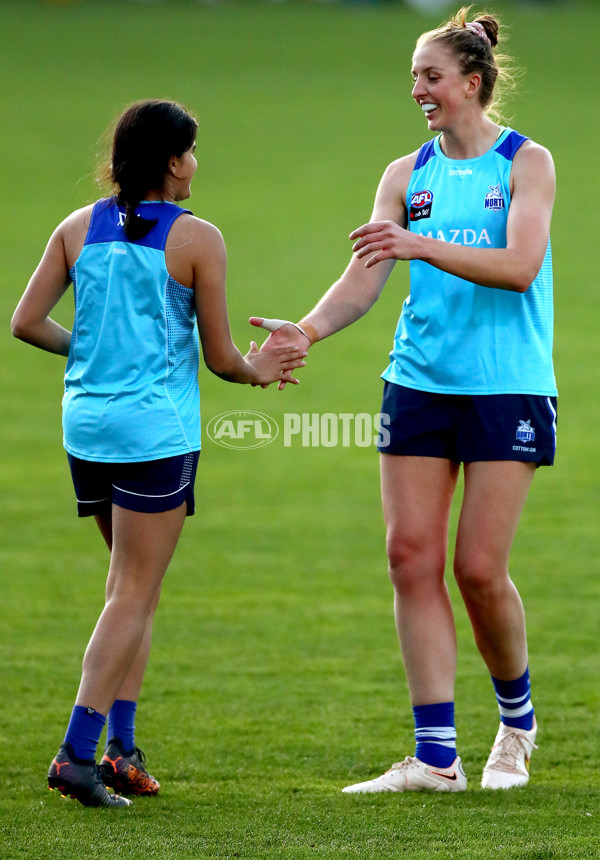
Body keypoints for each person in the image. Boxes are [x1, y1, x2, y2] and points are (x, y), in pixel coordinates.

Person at [251, 7, 557, 792]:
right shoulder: (404, 173)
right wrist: (307, 330)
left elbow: (520, 266)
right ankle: (436, 758)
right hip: (417, 382)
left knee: (479, 569)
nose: (416, 89)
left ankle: (516, 728)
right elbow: (366, 275)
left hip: (506, 387)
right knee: (410, 558)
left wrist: (420, 245)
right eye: (413, 77)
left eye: (430, 76)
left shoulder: (527, 164)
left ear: (472, 83)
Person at [11, 99, 306, 808]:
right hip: (154, 435)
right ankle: (78, 755)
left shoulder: (75, 228)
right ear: (173, 162)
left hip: (87, 429)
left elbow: (25, 322)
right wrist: (263, 368)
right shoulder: (198, 239)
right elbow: (223, 358)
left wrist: (85, 349)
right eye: (193, 152)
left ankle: (123, 749)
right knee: (133, 593)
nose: (196, 164)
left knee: (127, 589)